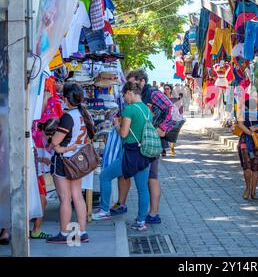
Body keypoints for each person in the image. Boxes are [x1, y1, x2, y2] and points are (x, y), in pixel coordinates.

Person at [110, 70, 175, 224]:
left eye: (133, 82)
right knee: (125, 173)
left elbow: (173, 109)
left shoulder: (153, 94)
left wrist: (162, 129)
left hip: (149, 142)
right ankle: (122, 204)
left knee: (151, 179)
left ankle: (153, 214)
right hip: (138, 143)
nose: (132, 86)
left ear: (142, 81)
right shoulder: (138, 98)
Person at [92, 82, 152, 231]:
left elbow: (123, 133)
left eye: (124, 95)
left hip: (130, 155)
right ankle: (141, 222)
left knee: (105, 176)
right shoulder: (146, 109)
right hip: (144, 154)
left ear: (130, 92)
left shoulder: (129, 110)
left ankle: (104, 210)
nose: (124, 98)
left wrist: (117, 124)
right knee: (142, 189)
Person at [46, 83, 95, 243]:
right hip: (78, 161)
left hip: (64, 161)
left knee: (65, 198)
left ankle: (65, 233)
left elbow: (55, 141)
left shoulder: (69, 116)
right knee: (77, 196)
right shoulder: (84, 113)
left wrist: (57, 145)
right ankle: (82, 233)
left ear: (65, 98)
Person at [237, 97, 258, 200]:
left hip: (249, 140)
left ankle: (250, 190)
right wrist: (254, 133)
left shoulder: (244, 113)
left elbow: (240, 125)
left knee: (249, 166)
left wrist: (253, 131)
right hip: (256, 141)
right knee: (253, 167)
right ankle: (252, 191)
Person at [163, 83, 178, 156]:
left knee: (172, 134)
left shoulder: (174, 99)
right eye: (165, 89)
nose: (166, 90)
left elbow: (178, 108)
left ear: (171, 90)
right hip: (164, 118)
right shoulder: (162, 98)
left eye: (167, 89)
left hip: (172, 118)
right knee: (163, 134)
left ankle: (172, 149)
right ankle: (163, 150)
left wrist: (177, 118)